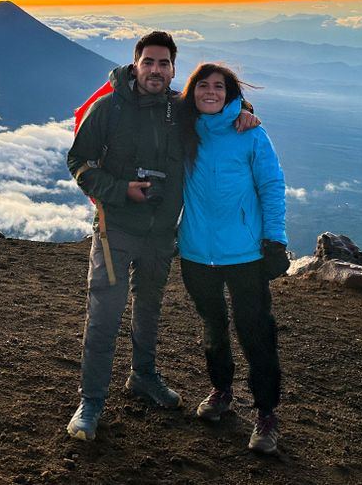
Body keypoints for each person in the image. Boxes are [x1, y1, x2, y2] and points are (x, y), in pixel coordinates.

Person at [66, 32, 257, 441]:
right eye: (148, 61)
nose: (156, 70)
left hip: (162, 234)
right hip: (116, 229)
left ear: (173, 69)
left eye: (164, 63)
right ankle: (92, 401)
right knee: (104, 316)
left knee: (149, 309)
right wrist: (121, 191)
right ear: (135, 64)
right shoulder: (108, 110)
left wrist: (245, 111)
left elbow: (216, 108)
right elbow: (78, 160)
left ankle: (144, 376)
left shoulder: (179, 109)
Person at [177, 63, 288, 454]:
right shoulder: (183, 128)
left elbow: (272, 186)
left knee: (256, 333)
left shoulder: (251, 134)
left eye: (219, 87)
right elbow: (143, 102)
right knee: (213, 328)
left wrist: (275, 240)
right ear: (191, 92)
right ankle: (221, 391)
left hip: (245, 254)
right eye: (202, 86)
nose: (210, 92)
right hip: (194, 252)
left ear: (231, 93)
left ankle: (266, 413)